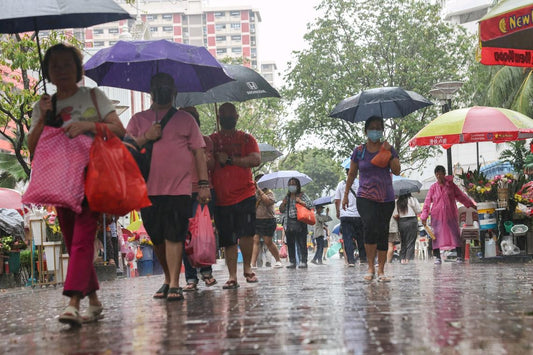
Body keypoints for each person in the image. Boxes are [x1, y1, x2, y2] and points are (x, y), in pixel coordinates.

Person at [27, 43, 126, 326]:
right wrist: (44, 118)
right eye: (55, 65)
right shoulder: (45, 105)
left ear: (78, 68)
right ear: (48, 72)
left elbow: (120, 130)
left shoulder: (93, 97)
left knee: (83, 238)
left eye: (67, 64)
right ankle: (94, 300)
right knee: (73, 243)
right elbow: (33, 146)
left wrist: (87, 126)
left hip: (92, 177)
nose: (62, 70)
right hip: (60, 182)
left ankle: (73, 302)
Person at [127, 73, 210, 301]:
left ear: (174, 92)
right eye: (159, 87)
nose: (163, 91)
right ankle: (167, 278)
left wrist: (203, 184)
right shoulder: (138, 119)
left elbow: (199, 153)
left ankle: (174, 283)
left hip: (179, 189)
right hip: (146, 189)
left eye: (167, 87)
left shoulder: (186, 120)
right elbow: (125, 148)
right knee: (158, 238)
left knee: (175, 235)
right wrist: (147, 136)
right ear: (151, 92)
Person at [342, 116, 401, 282]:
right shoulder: (359, 151)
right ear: (366, 130)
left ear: (382, 130)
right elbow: (352, 173)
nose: (375, 131)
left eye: (378, 127)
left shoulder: (388, 148)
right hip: (365, 197)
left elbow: (396, 170)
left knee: (382, 232)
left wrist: (389, 153)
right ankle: (370, 267)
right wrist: (346, 194)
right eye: (372, 127)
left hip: (386, 197)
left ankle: (381, 270)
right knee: (369, 227)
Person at [210, 102, 261, 288]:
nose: (227, 117)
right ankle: (232, 276)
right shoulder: (212, 141)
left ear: (237, 117)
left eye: (231, 114)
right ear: (219, 118)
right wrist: (213, 157)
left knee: (246, 234)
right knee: (228, 238)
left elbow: (256, 159)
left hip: (245, 194)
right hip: (222, 198)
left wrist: (231, 159)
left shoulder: (247, 139)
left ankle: (247, 268)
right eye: (224, 114)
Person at [179, 106, 217, 292]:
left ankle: (206, 270)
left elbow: (211, 164)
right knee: (186, 235)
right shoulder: (176, 141)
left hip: (201, 191)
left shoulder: (206, 140)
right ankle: (191, 277)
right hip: (180, 191)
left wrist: (202, 153)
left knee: (201, 232)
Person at [420, 165, 476, 264]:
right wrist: (424, 216)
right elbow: (427, 202)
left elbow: (461, 196)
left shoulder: (451, 185)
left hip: (451, 215)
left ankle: (459, 255)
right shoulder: (433, 188)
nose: (439, 176)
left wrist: (471, 205)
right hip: (437, 216)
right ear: (435, 175)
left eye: (441, 174)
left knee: (455, 233)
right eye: (437, 174)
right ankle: (437, 256)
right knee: (436, 235)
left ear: (444, 174)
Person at [279, 177, 314, 269]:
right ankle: (292, 262)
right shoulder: (287, 197)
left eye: (293, 184)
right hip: (289, 222)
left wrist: (301, 202)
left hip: (301, 222)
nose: (291, 185)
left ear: (297, 185)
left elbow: (310, 206)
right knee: (290, 243)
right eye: (290, 184)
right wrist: (283, 203)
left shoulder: (302, 195)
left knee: (302, 243)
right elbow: (281, 210)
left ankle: (303, 261)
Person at [251, 173, 283, 269]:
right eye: (256, 181)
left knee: (268, 241)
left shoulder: (269, 193)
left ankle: (278, 260)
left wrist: (260, 190)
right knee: (255, 240)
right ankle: (253, 264)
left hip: (268, 220)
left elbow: (268, 202)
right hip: (257, 220)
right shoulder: (254, 193)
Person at [335, 169, 366, 266]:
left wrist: (338, 211)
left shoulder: (341, 184)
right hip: (359, 215)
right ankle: (362, 258)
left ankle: (351, 261)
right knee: (360, 237)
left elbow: (337, 200)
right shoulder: (361, 183)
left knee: (347, 238)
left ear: (346, 172)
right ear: (356, 172)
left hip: (345, 215)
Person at [394, 192, 422, 264]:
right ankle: (408, 259)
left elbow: (395, 214)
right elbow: (418, 210)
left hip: (401, 222)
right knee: (411, 241)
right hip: (412, 221)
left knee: (403, 241)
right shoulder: (412, 199)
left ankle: (402, 259)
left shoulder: (397, 201)